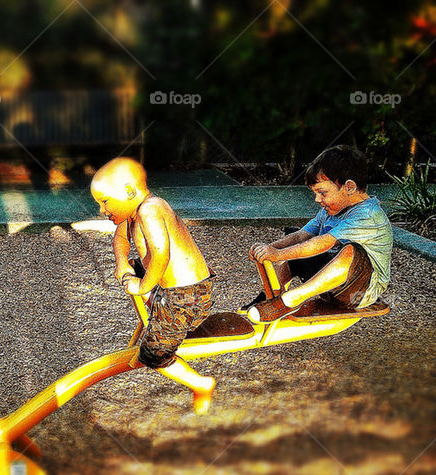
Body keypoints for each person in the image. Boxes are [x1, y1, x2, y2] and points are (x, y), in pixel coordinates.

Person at [91, 157, 217, 414]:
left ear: (129, 191)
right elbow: (120, 240)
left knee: (153, 354)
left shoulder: (150, 209)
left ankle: (201, 384)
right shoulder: (132, 212)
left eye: (105, 202)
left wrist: (142, 285)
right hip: (168, 290)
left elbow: (161, 253)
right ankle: (154, 313)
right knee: (136, 270)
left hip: (186, 297)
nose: (102, 210)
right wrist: (122, 263)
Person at [244, 145, 393, 322]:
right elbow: (302, 235)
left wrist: (278, 255)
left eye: (322, 193)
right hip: (330, 285)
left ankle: (290, 301)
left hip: (358, 293)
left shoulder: (368, 216)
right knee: (298, 245)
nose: (317, 200)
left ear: (350, 187)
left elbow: (323, 243)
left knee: (350, 251)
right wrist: (270, 248)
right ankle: (272, 298)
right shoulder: (330, 210)